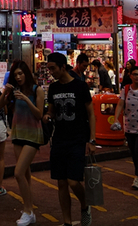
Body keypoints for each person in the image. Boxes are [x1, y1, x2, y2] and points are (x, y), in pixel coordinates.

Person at [44, 52, 94, 226]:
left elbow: (91, 113)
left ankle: (85, 203)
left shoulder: (80, 87)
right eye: (49, 68)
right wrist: (48, 116)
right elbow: (51, 109)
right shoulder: (53, 88)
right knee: (61, 183)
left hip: (77, 139)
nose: (51, 72)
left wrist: (91, 140)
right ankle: (67, 221)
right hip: (59, 139)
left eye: (52, 68)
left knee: (73, 181)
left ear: (63, 67)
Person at [0, 60, 44, 226]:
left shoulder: (37, 90)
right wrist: (6, 91)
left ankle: (27, 210)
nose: (18, 77)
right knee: (25, 174)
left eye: (20, 74)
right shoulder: (14, 90)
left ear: (27, 73)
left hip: (33, 135)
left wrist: (26, 99)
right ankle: (30, 210)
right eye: (15, 75)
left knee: (18, 172)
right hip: (18, 134)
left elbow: (39, 114)